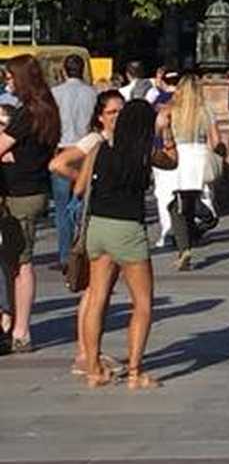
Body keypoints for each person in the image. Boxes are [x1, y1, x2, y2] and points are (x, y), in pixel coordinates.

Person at [74, 97, 179, 387]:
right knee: (142, 303)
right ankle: (135, 373)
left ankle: (94, 369)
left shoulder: (99, 149)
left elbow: (80, 188)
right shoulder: (145, 152)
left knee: (97, 298)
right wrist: (166, 130)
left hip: (97, 226)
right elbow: (172, 162)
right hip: (127, 229)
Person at [49, 88, 124, 376]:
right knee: (95, 290)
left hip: (111, 217)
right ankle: (84, 352)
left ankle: (91, 350)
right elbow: (58, 163)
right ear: (100, 117)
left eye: (121, 111)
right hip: (95, 219)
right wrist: (86, 180)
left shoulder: (119, 141)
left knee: (100, 289)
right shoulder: (95, 140)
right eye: (111, 113)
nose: (117, 117)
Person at [0, 52, 61, 353]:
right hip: (34, 188)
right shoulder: (46, 108)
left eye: (10, 76)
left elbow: (2, 146)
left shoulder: (27, 113)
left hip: (21, 193)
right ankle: (14, 322)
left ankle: (21, 329)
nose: (6, 81)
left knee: (20, 262)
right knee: (15, 260)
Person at [166, 72, 221, 270]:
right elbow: (215, 141)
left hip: (181, 158)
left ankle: (184, 248)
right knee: (194, 201)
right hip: (200, 156)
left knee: (178, 206)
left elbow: (166, 136)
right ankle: (195, 232)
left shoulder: (173, 110)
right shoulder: (206, 110)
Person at [51, 53, 97, 269]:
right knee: (84, 204)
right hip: (86, 149)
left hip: (62, 151)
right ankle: (83, 249)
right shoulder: (92, 93)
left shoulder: (55, 93)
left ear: (64, 69)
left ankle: (64, 255)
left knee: (61, 208)